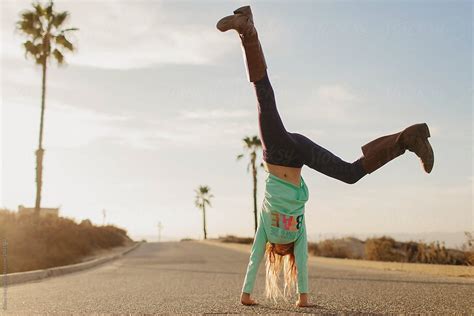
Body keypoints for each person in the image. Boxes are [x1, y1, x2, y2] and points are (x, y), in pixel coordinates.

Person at [216, 5, 434, 308]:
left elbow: (254, 257)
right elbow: (302, 260)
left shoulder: (266, 230)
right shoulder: (298, 230)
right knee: (350, 173)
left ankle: (247, 31)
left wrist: (245, 295)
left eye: (275, 251)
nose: (279, 248)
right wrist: (302, 298)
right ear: (287, 249)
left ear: (272, 249)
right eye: (283, 251)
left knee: (263, 95)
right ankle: (407, 139)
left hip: (277, 151)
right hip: (296, 153)